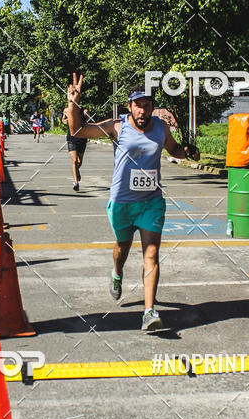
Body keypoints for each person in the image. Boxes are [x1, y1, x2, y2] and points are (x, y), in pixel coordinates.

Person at [67, 73, 199, 331]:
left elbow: (173, 150)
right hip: (122, 203)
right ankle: (117, 273)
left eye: (147, 105)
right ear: (130, 106)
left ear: (152, 107)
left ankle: (149, 312)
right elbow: (77, 130)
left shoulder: (161, 127)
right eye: (138, 105)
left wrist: (188, 152)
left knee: (151, 253)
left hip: (151, 202)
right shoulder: (117, 127)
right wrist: (73, 103)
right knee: (122, 249)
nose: (142, 110)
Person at [62, 101, 90, 191]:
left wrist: (87, 115)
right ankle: (76, 182)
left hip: (82, 137)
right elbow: (64, 120)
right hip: (72, 138)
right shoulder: (67, 110)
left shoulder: (83, 111)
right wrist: (65, 120)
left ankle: (76, 172)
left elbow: (89, 120)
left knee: (79, 161)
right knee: (74, 160)